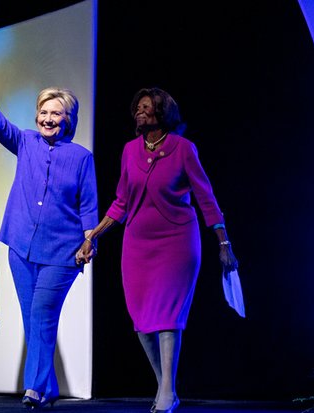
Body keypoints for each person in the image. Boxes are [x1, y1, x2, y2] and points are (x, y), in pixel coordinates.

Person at [76, 87, 238, 413]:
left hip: (177, 242)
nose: (139, 112)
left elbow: (206, 198)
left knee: (168, 317)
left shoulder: (184, 149)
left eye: (146, 107)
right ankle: (164, 382)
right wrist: (92, 236)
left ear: (162, 113)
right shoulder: (128, 151)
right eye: (137, 107)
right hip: (137, 245)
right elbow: (120, 202)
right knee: (141, 321)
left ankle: (167, 391)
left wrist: (223, 243)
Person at [0, 48, 99, 409]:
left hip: (62, 253)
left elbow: (88, 208)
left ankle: (34, 389)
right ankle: (49, 386)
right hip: (21, 247)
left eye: (56, 113)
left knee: (41, 316)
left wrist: (89, 243)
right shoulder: (25, 141)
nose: (48, 118)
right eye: (44, 111)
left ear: (68, 120)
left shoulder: (81, 158)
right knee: (35, 320)